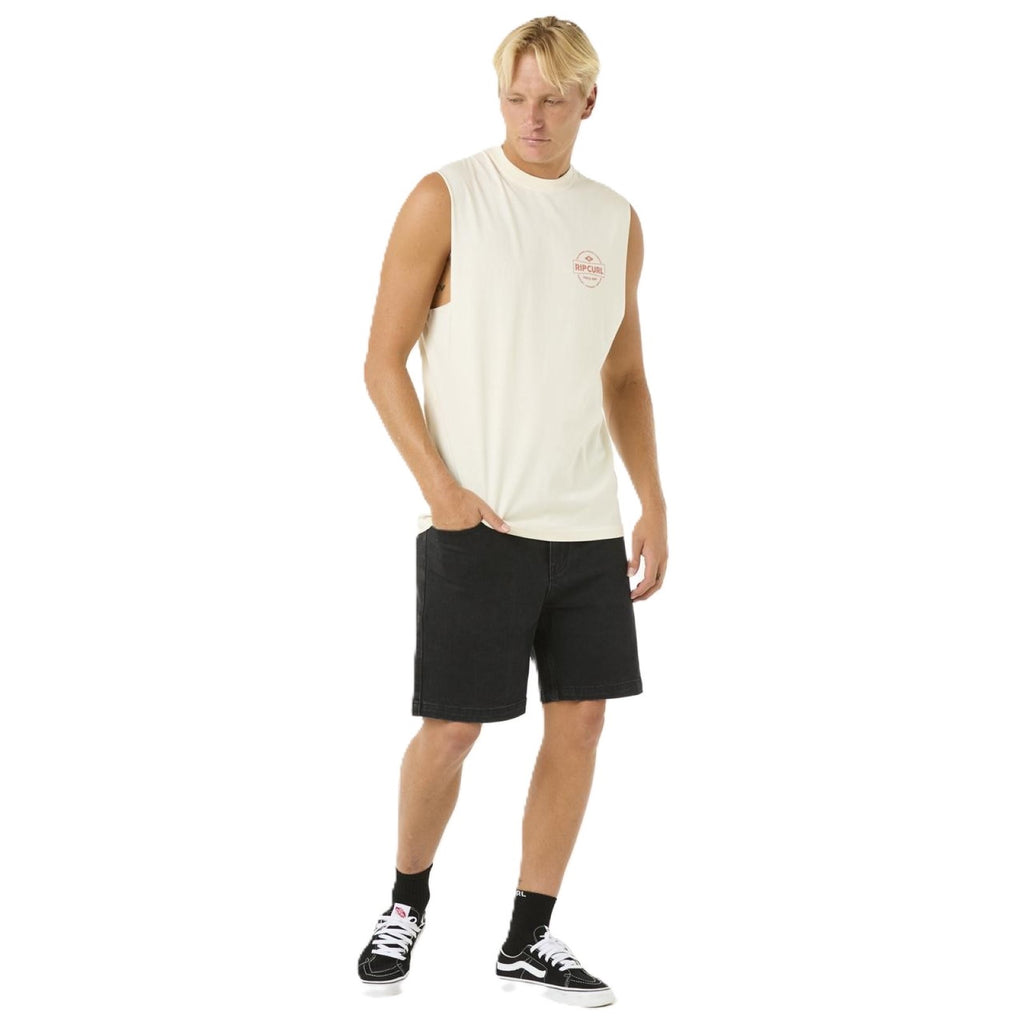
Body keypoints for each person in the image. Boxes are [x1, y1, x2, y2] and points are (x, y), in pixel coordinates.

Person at [359, 15, 667, 1008]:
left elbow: (624, 374)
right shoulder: (445, 197)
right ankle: (405, 902)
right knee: (452, 729)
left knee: (579, 724)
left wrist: (652, 499)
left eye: (552, 99)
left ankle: (528, 937)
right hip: (479, 523)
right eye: (515, 97)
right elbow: (381, 361)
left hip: (584, 525)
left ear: (589, 101)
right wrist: (440, 494)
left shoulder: (614, 218)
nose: (531, 117)